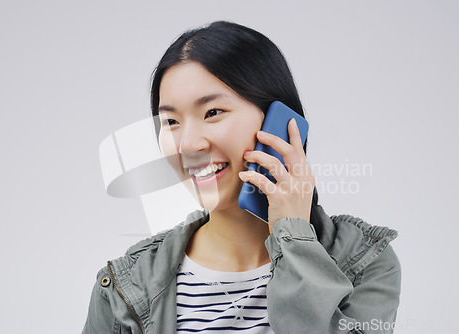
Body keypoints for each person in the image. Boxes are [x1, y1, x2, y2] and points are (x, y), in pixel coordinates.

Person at [82, 21, 401, 334]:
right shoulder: (124, 287)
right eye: (171, 121)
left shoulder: (364, 262)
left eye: (212, 113)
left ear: (279, 121)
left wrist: (293, 236)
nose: (188, 145)